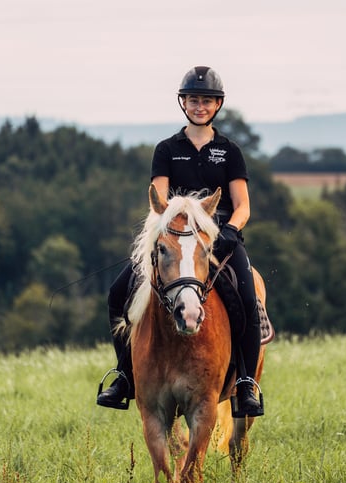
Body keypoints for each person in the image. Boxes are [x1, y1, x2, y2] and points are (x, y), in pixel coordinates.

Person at [97, 65, 263, 418]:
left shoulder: (229, 151)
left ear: (217, 105)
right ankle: (125, 375)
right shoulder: (167, 149)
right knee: (117, 293)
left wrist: (231, 230)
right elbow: (158, 201)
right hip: (175, 242)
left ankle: (246, 383)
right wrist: (167, 232)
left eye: (206, 100)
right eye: (193, 99)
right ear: (183, 103)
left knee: (247, 299)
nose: (199, 106)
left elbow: (243, 205)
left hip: (220, 243)